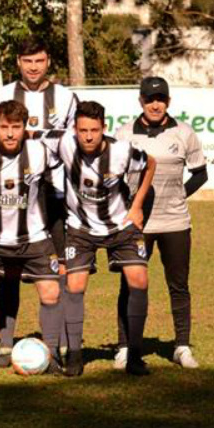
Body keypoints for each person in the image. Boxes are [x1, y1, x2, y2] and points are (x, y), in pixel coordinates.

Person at [48, 101, 156, 376]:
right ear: (74, 129)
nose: (88, 136)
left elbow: (150, 164)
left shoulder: (121, 151)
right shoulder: (63, 144)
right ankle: (74, 355)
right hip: (81, 228)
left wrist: (137, 205)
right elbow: (26, 137)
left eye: (94, 130)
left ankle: (134, 355)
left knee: (139, 280)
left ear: (103, 128)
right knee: (74, 285)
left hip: (120, 226)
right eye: (83, 130)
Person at [0, 37, 78, 365]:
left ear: (48, 62)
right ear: (18, 63)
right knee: (8, 271)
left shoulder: (66, 97)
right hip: (13, 196)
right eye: (27, 62)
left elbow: (74, 143)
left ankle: (59, 345)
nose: (33, 67)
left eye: (39, 61)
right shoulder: (3, 94)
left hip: (53, 194)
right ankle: (6, 345)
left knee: (58, 272)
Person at [0, 101, 64, 377]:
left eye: (16, 127)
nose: (9, 134)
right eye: (3, 127)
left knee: (51, 292)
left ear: (25, 127)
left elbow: (63, 151)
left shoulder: (40, 152)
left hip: (33, 237)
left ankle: (52, 355)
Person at [115, 77, 208, 369]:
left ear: (168, 102)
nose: (155, 104)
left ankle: (181, 346)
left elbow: (200, 173)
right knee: (129, 286)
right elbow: (116, 177)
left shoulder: (184, 133)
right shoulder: (124, 133)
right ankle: (124, 346)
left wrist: (179, 196)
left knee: (178, 285)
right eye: (150, 99)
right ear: (141, 101)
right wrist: (129, 207)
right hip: (138, 226)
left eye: (161, 99)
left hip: (176, 223)